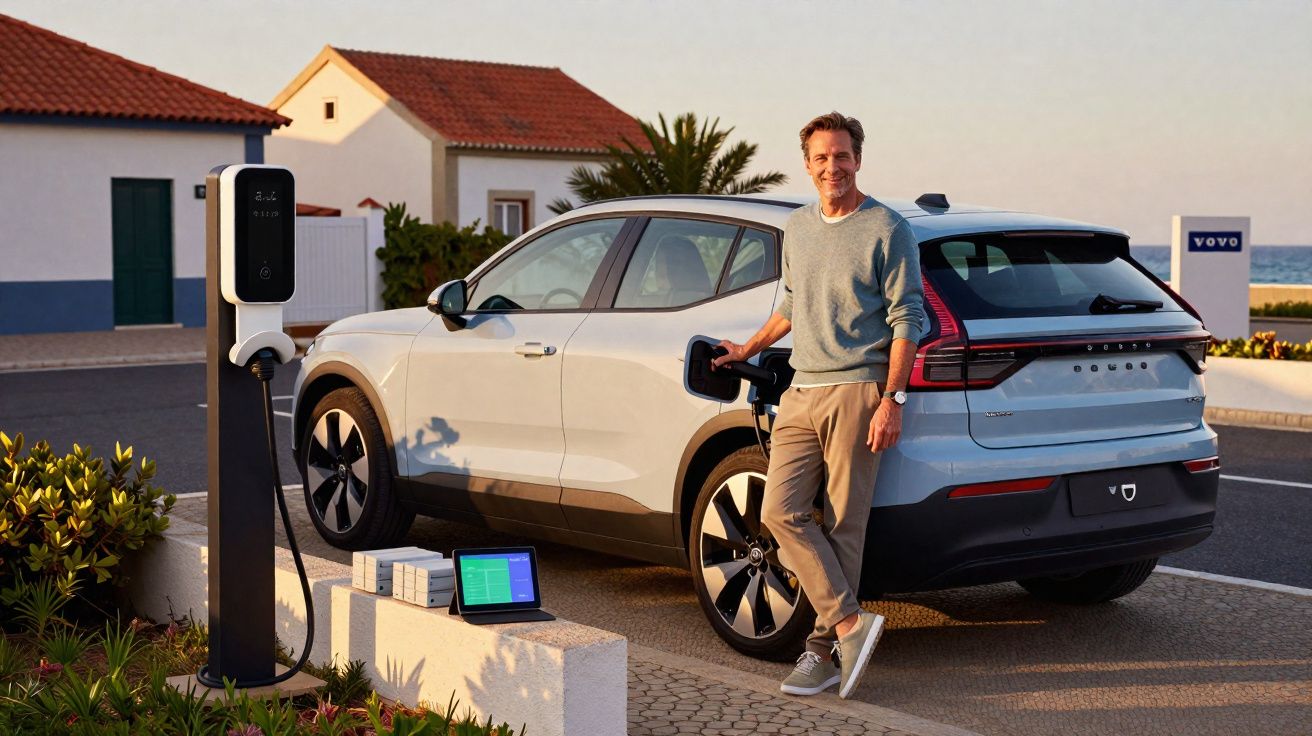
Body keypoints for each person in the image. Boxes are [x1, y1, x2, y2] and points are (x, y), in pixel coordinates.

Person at [712, 111, 925, 699]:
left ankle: (821, 651)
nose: (833, 166)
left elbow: (909, 318)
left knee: (843, 525)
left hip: (859, 389)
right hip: (801, 389)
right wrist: (746, 347)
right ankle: (853, 624)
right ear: (807, 165)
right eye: (821, 158)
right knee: (780, 512)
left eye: (842, 156)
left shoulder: (888, 228)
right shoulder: (799, 228)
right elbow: (789, 302)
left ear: (859, 159)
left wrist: (893, 399)